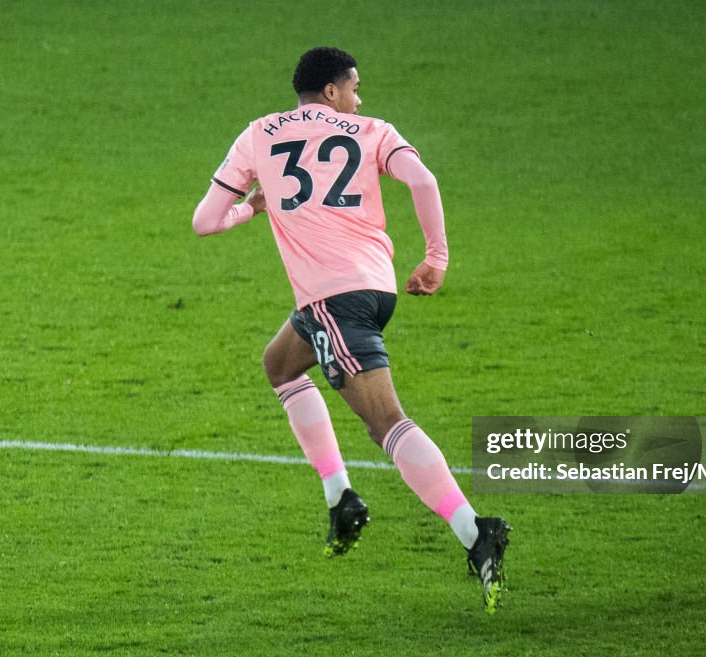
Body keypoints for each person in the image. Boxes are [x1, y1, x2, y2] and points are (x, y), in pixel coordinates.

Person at [191, 47, 510, 613]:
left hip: (333, 299)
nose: (360, 97)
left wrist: (255, 208)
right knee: (281, 365)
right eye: (355, 87)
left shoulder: (259, 134)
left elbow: (206, 221)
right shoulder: (372, 130)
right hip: (368, 287)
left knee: (385, 423)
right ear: (333, 91)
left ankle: (475, 531)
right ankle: (340, 497)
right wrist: (435, 258)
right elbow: (425, 180)